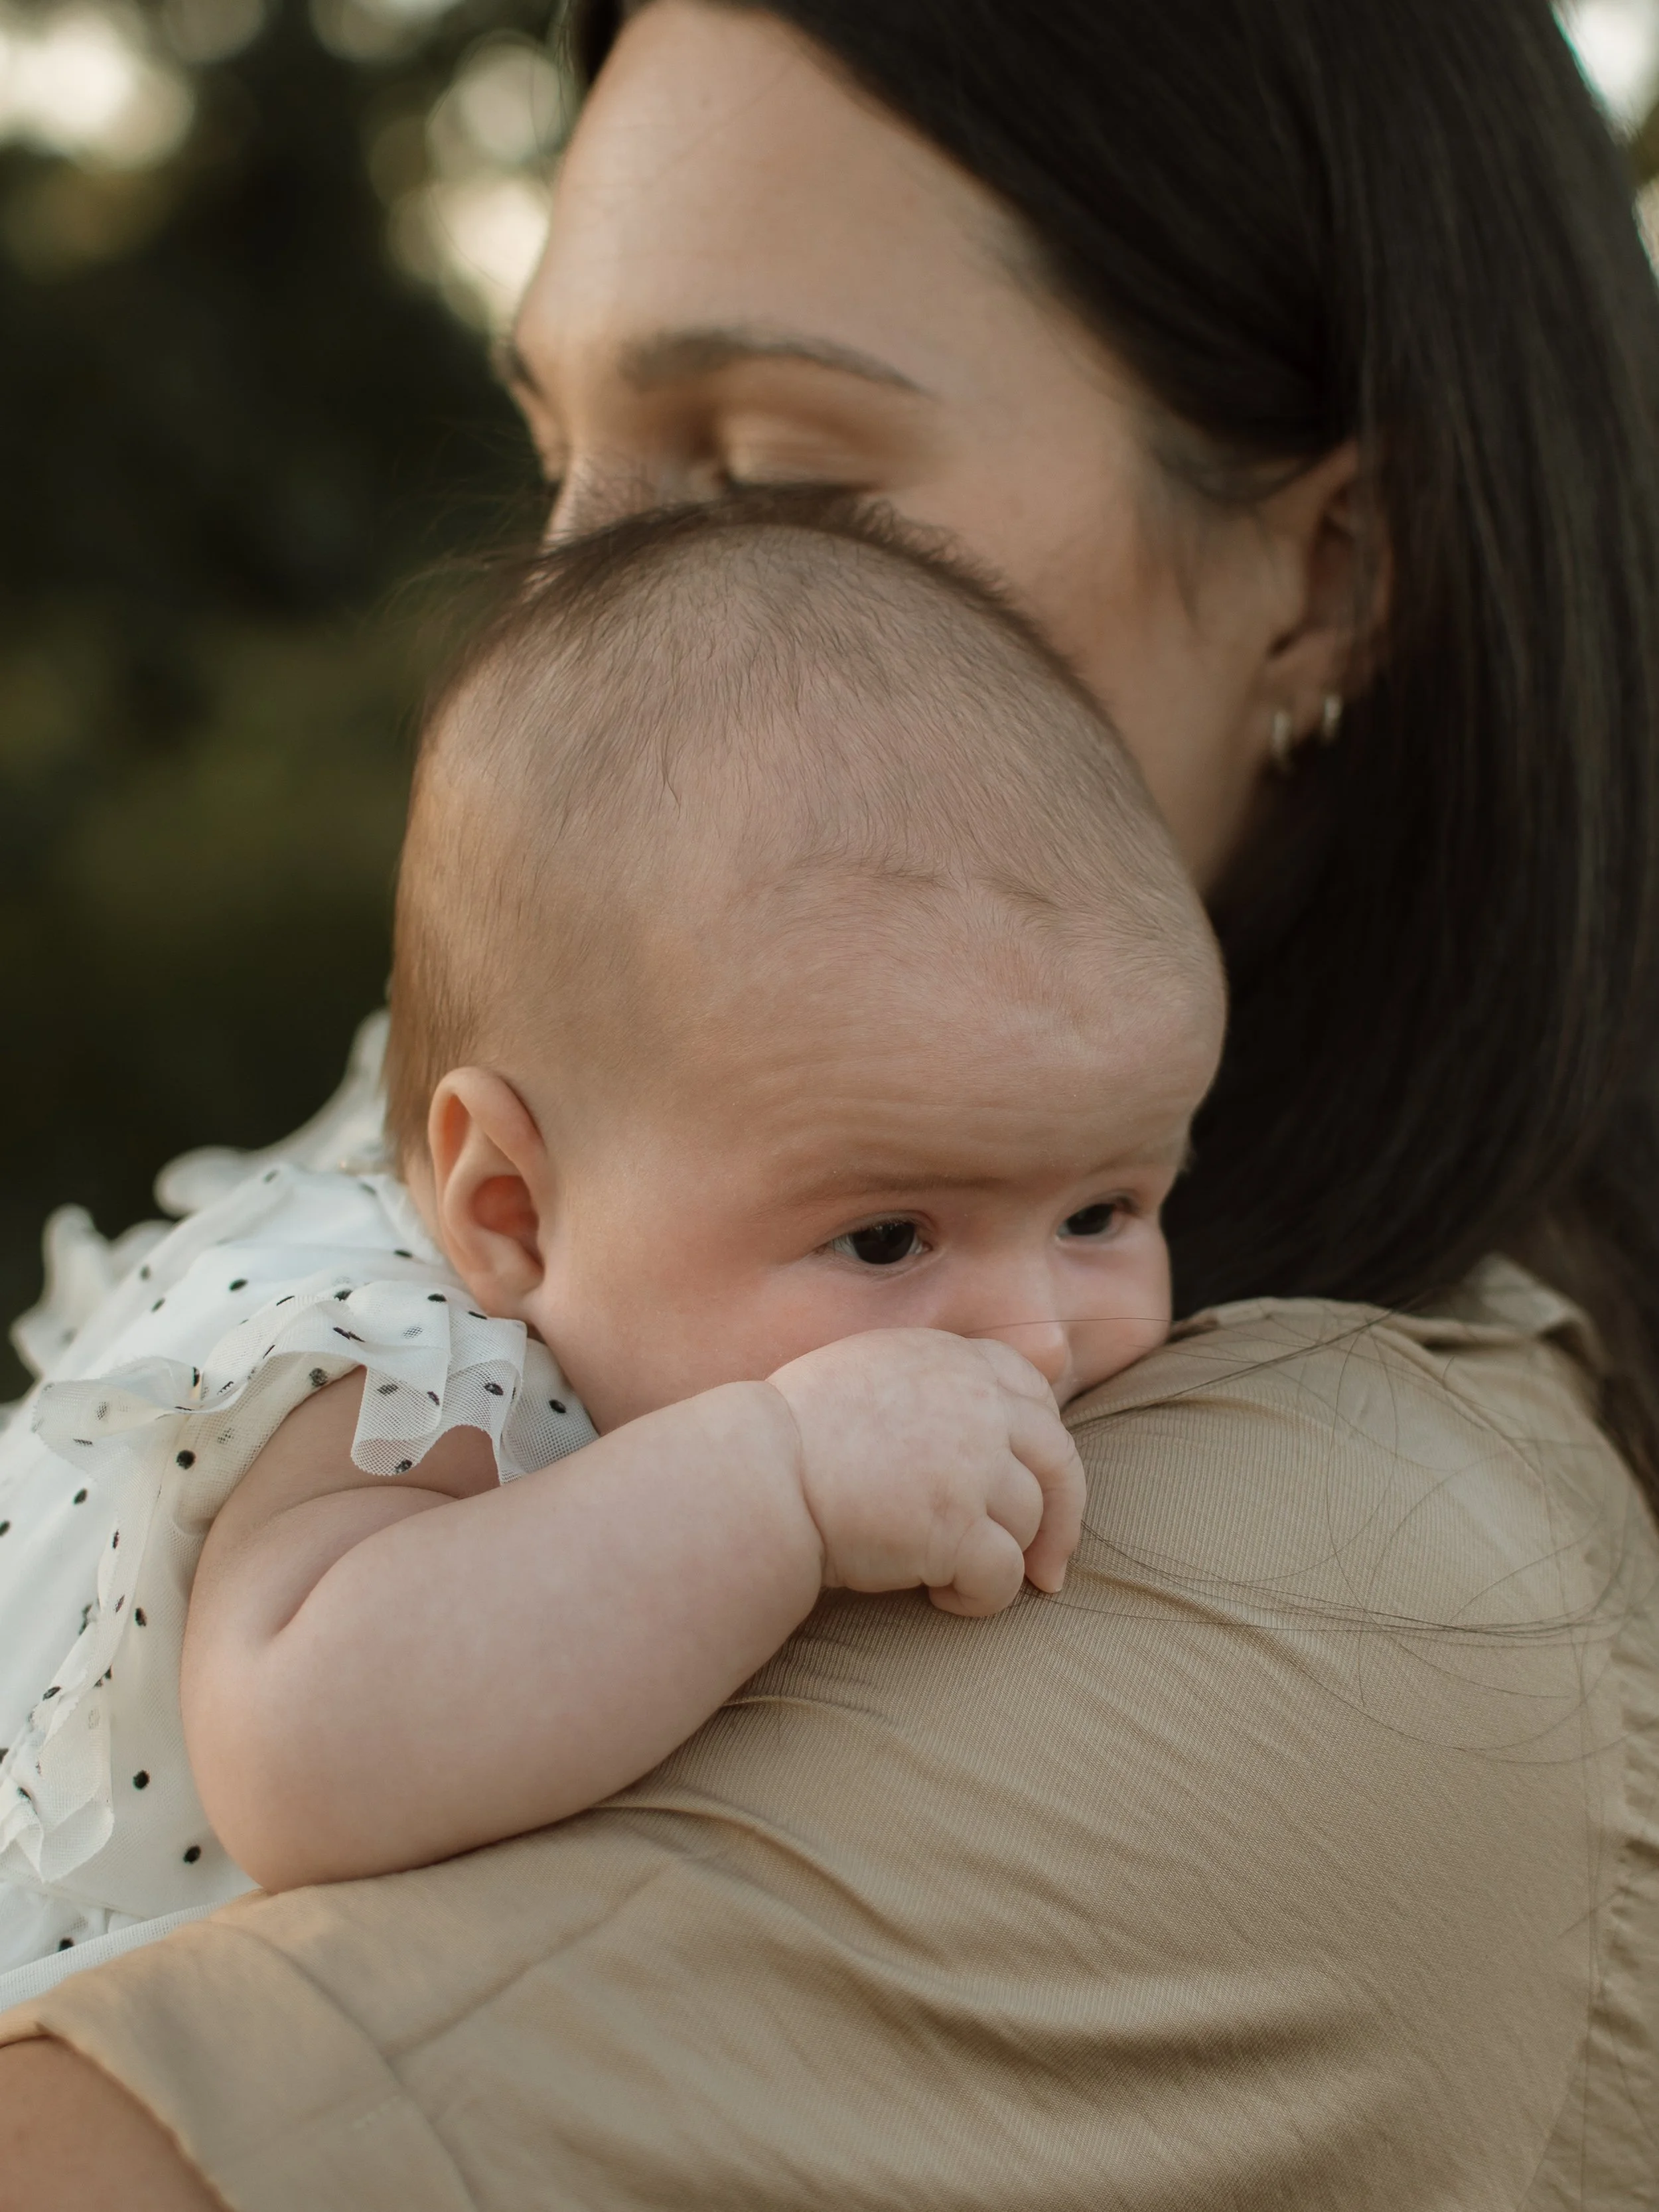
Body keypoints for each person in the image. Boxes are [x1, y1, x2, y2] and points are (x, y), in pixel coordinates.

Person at [2, 0, 1657, 2203]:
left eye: (781, 479)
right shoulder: (511, 1206)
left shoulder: (1361, 1582)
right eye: (556, 459)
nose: (574, 613)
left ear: (1334, 572)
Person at [0, 498, 1224, 1981]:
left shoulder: (669, 1251)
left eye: (1102, 1211)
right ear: (510, 1210)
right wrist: (776, 1479)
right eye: (888, 1236)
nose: (1035, 1328)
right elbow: (303, 1752)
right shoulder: (397, 1367)